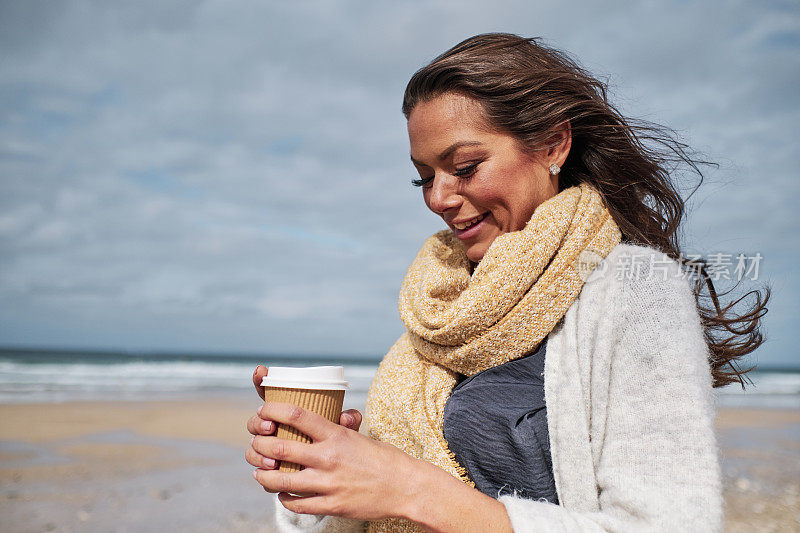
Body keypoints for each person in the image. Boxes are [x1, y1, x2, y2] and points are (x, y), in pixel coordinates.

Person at [245, 33, 769, 532]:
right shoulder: (440, 308)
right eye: (424, 177)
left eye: (465, 166)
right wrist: (324, 471)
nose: (438, 198)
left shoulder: (636, 291)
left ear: (553, 144)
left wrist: (406, 487)